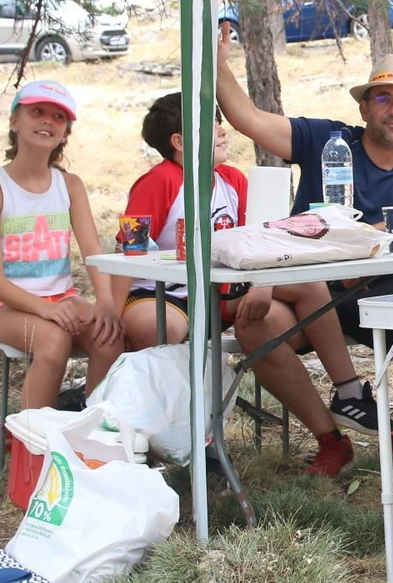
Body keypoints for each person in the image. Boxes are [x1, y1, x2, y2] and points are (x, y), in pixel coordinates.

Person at [215, 30, 393, 456]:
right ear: (364, 106)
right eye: (383, 99)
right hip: (311, 294)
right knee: (255, 321)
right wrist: (219, 64)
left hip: (371, 297)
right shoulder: (328, 140)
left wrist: (367, 233)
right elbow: (249, 119)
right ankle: (331, 440)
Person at [113, 92, 365, 477]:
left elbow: (260, 239)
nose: (222, 129)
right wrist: (113, 311)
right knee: (161, 328)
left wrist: (261, 281)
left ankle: (348, 397)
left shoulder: (231, 179)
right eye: (211, 125)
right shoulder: (162, 180)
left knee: (307, 286)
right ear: (180, 143)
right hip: (167, 292)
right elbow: (128, 245)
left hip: (221, 292)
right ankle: (176, 437)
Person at [0, 80, 125, 411]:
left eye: (58, 117)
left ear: (66, 132)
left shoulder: (69, 185)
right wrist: (47, 310)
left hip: (61, 298)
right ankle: (33, 446)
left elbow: (92, 252)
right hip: (5, 306)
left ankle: (92, 436)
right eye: (36, 112)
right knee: (53, 339)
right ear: (15, 121)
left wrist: (105, 301)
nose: (46, 121)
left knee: (109, 335)